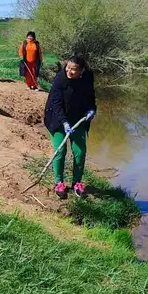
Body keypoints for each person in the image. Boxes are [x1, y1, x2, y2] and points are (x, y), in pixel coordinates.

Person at [43, 55, 97, 199]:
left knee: (79, 152)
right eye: (68, 67)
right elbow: (56, 104)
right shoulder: (60, 79)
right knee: (60, 151)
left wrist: (92, 110)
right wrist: (65, 123)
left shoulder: (87, 78)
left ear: (81, 71)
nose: (69, 71)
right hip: (58, 119)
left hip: (79, 119)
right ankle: (59, 182)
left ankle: (77, 182)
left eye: (74, 69)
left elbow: (91, 97)